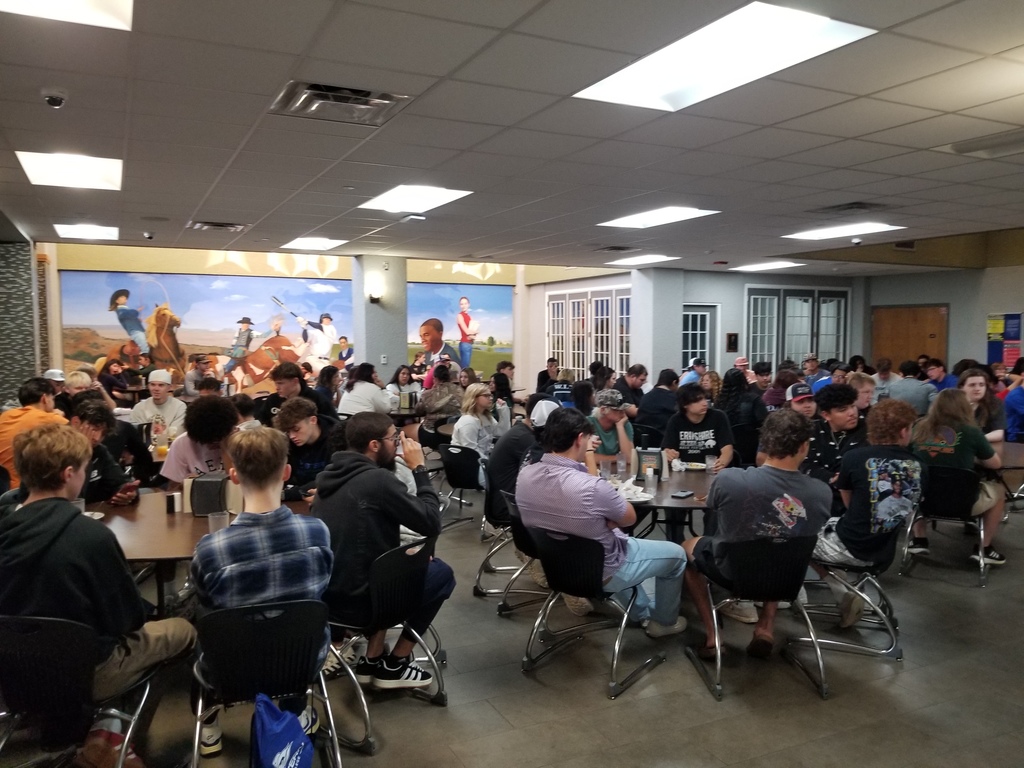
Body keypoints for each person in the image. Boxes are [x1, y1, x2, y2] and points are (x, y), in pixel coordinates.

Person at [0, 423, 194, 742]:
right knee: (181, 631)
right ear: (68, 474)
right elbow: (127, 621)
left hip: (14, 674)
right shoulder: (91, 538)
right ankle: (112, 737)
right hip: (88, 671)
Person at [190, 427, 333, 753]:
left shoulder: (211, 549)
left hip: (231, 669)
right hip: (303, 662)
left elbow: (205, 601)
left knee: (203, 627)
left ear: (233, 476)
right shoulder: (317, 532)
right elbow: (322, 587)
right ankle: (294, 713)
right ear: (286, 472)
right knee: (295, 621)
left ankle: (209, 727)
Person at [516, 408, 687, 637]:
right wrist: (605, 521)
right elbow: (629, 518)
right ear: (580, 439)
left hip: (556, 565)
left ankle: (639, 613)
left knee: (610, 542)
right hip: (602, 570)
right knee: (676, 555)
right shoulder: (591, 486)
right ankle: (664, 622)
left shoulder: (525, 475)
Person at [313, 412, 454, 689]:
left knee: (387, 565)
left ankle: (373, 657)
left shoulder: (327, 478)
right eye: (393, 438)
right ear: (374, 445)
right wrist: (420, 470)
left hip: (333, 602)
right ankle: (396, 664)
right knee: (442, 574)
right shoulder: (378, 480)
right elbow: (430, 522)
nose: (398, 443)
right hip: (364, 606)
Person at [682, 409, 832, 659]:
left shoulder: (730, 480)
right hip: (787, 577)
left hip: (734, 571)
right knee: (781, 542)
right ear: (805, 446)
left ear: (766, 443)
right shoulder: (821, 493)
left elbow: (711, 506)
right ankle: (766, 626)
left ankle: (712, 636)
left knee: (687, 548)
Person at [811, 399, 925, 627]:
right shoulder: (919, 465)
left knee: (798, 534)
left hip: (849, 545)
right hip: (884, 551)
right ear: (904, 431)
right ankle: (846, 588)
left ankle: (841, 592)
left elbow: (849, 504)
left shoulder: (854, 458)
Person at [910, 389, 1007, 564]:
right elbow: (995, 464)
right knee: (999, 492)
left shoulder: (918, 427)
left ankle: (919, 539)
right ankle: (984, 549)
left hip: (923, 499)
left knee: (914, 484)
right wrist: (972, 457)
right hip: (963, 501)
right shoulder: (971, 432)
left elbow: (910, 457)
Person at [802, 384, 866, 515]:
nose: (852, 413)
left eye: (853, 406)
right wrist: (831, 477)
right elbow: (804, 465)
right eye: (843, 410)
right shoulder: (812, 431)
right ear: (826, 415)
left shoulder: (869, 431)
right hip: (817, 503)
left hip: (858, 504)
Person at [160, 396, 239, 491]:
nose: (213, 445)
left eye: (217, 440)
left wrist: (226, 448)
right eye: (207, 442)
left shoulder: (242, 440)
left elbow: (240, 485)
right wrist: (187, 484)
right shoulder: (182, 443)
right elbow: (173, 489)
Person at [0, 377, 67, 489]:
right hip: (23, 489)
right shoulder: (50, 418)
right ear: (45, 399)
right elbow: (79, 440)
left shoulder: (6, 415)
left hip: (3, 485)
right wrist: (59, 416)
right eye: (53, 398)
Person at [274, 396, 336, 502]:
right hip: (298, 497)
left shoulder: (336, 439)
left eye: (296, 429)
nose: (292, 436)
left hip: (326, 498)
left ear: (313, 420)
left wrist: (287, 494)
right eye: (288, 431)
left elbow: (333, 478)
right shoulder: (288, 441)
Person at [661, 383, 734, 471]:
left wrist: (721, 463)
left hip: (711, 470)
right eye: (697, 401)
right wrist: (669, 454)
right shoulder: (676, 420)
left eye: (704, 398)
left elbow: (727, 450)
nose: (704, 403)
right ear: (685, 404)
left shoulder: (718, 417)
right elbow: (667, 449)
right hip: (684, 470)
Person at [256, 361, 337, 426]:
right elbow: (261, 422)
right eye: (276, 383)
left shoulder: (318, 400)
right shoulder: (272, 400)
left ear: (295, 381)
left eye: (280, 383)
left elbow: (333, 425)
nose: (277, 388)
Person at [715, 368, 768, 465]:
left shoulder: (719, 402)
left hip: (723, 452)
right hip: (751, 450)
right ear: (744, 380)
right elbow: (766, 423)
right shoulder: (754, 399)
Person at [452, 383, 510, 459]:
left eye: (490, 395)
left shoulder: (486, 416)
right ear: (474, 398)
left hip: (481, 458)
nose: (491, 398)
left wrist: (503, 411)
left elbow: (501, 432)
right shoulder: (468, 421)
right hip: (466, 463)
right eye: (486, 396)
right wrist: (490, 462)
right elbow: (471, 451)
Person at [129, 369, 188, 436]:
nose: (156, 389)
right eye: (153, 385)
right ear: (148, 386)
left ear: (169, 388)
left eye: (161, 385)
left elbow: (176, 434)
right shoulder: (139, 408)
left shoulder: (179, 407)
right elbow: (135, 434)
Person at [958, 368, 1005, 442]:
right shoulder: (953, 403)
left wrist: (975, 440)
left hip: (985, 447)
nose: (977, 388)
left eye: (981, 385)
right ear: (961, 387)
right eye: (972, 385)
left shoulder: (995, 403)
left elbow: (998, 433)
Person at [587, 389, 635, 460]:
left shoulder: (624, 424)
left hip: (615, 469)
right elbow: (584, 457)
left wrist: (620, 427)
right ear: (603, 410)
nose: (623, 412)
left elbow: (629, 458)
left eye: (623, 409)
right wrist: (617, 458)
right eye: (618, 410)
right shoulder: (587, 423)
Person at [415, 364, 463, 432]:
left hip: (431, 431)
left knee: (408, 429)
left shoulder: (428, 394)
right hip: (454, 431)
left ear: (435, 378)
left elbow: (419, 411)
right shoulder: (460, 391)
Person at [635, 368, 679, 436]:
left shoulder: (645, 396)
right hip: (663, 437)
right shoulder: (673, 398)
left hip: (642, 436)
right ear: (674, 383)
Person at [109, 289, 149, 355]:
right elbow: (128, 314)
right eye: (121, 297)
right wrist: (137, 310)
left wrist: (137, 321)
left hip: (141, 331)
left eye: (125, 297)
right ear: (117, 301)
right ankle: (142, 364)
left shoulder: (126, 310)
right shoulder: (120, 311)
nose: (125, 298)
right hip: (136, 332)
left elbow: (130, 318)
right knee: (145, 349)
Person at [456, 296, 476, 369]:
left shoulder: (469, 317)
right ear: (459, 305)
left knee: (466, 367)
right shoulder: (460, 316)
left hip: (469, 344)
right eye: (462, 304)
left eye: (465, 303)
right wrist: (475, 332)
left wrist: (473, 334)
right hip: (465, 344)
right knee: (465, 368)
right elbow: (467, 331)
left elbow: (473, 335)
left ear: (468, 304)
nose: (464, 306)